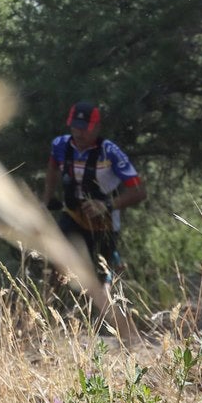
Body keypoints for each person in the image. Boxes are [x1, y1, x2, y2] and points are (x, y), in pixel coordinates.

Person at [42, 101, 146, 287]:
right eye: (75, 127)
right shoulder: (60, 145)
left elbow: (139, 192)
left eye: (85, 128)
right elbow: (52, 168)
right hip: (72, 214)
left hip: (104, 224)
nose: (79, 133)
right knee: (56, 264)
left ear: (97, 127)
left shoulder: (110, 152)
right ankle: (46, 310)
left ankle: (105, 304)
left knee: (99, 279)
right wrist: (46, 200)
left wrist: (106, 205)